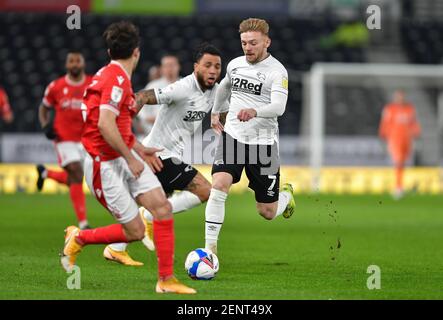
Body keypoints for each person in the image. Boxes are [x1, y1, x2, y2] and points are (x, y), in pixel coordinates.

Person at [60, 21, 195, 294]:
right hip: (104, 165)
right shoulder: (116, 79)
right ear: (137, 52)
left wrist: (138, 149)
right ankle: (80, 237)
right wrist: (132, 157)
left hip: (122, 156)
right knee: (134, 231)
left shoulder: (110, 75)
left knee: (162, 208)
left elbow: (117, 125)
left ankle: (166, 280)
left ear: (110, 50)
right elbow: (105, 126)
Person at [105, 43, 223, 265]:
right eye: (207, 65)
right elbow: (142, 96)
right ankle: (145, 219)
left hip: (168, 155)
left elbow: (223, 109)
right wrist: (124, 128)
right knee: (206, 191)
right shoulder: (182, 88)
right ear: (196, 66)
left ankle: (115, 247)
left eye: (217, 66)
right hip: (159, 155)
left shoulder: (215, 92)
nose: (213, 71)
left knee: (159, 203)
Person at [206, 18, 296, 255]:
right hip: (233, 137)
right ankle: (210, 250)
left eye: (253, 43)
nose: (248, 48)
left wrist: (256, 111)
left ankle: (285, 196)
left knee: (266, 211)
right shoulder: (235, 64)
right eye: (244, 42)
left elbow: (279, 106)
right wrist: (216, 111)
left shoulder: (277, 72)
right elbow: (224, 86)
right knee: (219, 184)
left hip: (263, 144)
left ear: (267, 42)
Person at [36, 51, 92, 229]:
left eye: (78, 61)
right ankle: (83, 223)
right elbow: (43, 109)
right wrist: (46, 126)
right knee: (76, 172)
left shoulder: (93, 84)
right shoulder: (56, 86)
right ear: (67, 65)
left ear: (83, 63)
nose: (75, 64)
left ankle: (46, 173)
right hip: (63, 137)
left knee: (75, 178)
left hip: (85, 138)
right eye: (71, 61)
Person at [379, 90, 421, 199]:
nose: (400, 98)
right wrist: (383, 135)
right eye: (398, 96)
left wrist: (416, 132)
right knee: (398, 162)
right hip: (395, 139)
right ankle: (398, 187)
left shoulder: (410, 109)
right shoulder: (390, 109)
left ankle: (403, 186)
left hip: (407, 139)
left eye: (402, 96)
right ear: (395, 97)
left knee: (406, 163)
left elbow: (414, 123)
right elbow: (385, 123)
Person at [136, 54, 181, 135]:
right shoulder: (153, 86)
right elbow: (141, 107)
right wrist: (146, 118)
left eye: (172, 65)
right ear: (161, 69)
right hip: (156, 131)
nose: (170, 68)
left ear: (178, 66)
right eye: (166, 65)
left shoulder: (185, 85)